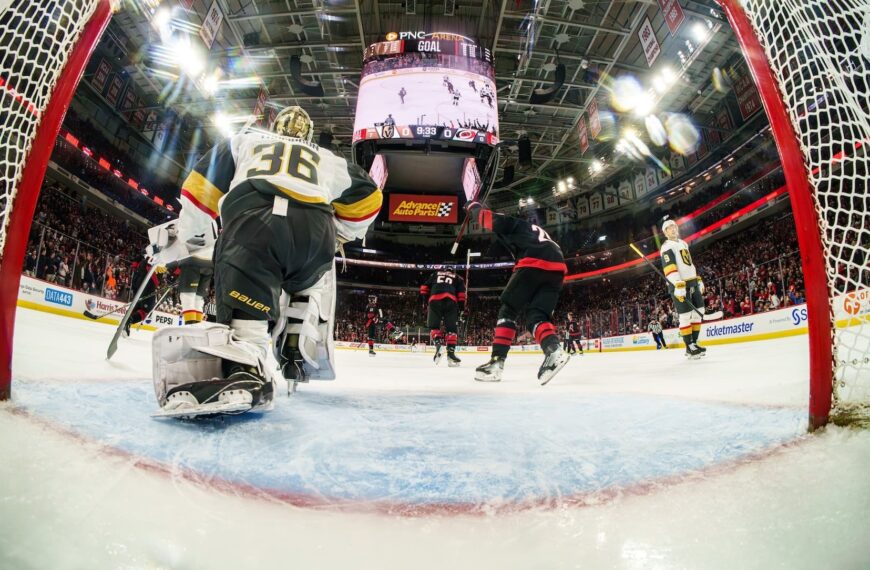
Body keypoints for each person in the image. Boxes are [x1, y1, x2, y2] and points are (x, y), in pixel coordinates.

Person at [154, 105, 382, 417]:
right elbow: (371, 198)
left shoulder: (245, 141)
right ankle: (303, 310)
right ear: (309, 136)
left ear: (275, 128)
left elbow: (196, 191)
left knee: (247, 316)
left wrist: (192, 235)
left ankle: (249, 367)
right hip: (315, 235)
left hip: (255, 225)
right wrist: (342, 232)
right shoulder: (331, 159)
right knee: (313, 272)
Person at [466, 202, 570, 385]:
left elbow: (490, 220)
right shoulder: (532, 230)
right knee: (536, 316)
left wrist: (473, 208)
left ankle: (496, 363)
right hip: (558, 267)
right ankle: (553, 350)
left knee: (508, 310)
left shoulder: (514, 223)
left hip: (534, 261)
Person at [660, 219, 706, 359]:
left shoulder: (683, 243)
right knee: (685, 316)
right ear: (665, 232)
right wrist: (678, 285)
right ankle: (689, 346)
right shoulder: (666, 247)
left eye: (674, 226)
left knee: (699, 312)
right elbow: (670, 268)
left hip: (692, 283)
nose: (673, 229)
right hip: (679, 286)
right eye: (669, 228)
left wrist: (697, 279)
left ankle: (695, 342)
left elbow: (689, 265)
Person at [420, 267, 466, 366]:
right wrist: (462, 309)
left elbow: (424, 288)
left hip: (434, 299)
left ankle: (438, 345)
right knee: (451, 329)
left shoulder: (435, 274)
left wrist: (424, 301)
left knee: (434, 327)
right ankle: (451, 355)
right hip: (451, 301)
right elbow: (462, 294)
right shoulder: (458, 277)